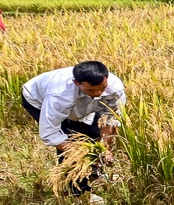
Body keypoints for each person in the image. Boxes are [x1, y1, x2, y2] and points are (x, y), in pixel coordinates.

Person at [20, 60, 126, 194]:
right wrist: (80, 153)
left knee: (93, 132)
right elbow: (50, 133)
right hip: (37, 99)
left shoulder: (114, 87)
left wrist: (105, 148)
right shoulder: (59, 95)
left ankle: (95, 173)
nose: (99, 93)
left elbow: (111, 118)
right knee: (71, 140)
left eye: (102, 87)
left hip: (78, 101)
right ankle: (79, 192)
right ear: (76, 83)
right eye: (92, 90)